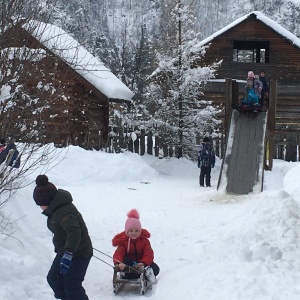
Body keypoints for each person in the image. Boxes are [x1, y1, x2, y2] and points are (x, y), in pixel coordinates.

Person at [33, 174, 93, 300]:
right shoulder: (56, 210)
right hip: (65, 251)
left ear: (48, 201)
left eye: (40, 203)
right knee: (54, 279)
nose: (40, 207)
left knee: (72, 286)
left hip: (79, 253)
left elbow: (74, 233)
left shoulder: (64, 212)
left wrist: (68, 254)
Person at [112, 209, 159, 284]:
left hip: (142, 264)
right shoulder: (124, 242)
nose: (134, 233)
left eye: (136, 231)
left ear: (140, 231)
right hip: (130, 265)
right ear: (127, 232)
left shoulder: (144, 241)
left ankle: (147, 273)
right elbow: (118, 253)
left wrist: (143, 263)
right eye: (131, 231)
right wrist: (120, 263)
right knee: (127, 265)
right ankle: (126, 274)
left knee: (156, 268)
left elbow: (148, 253)